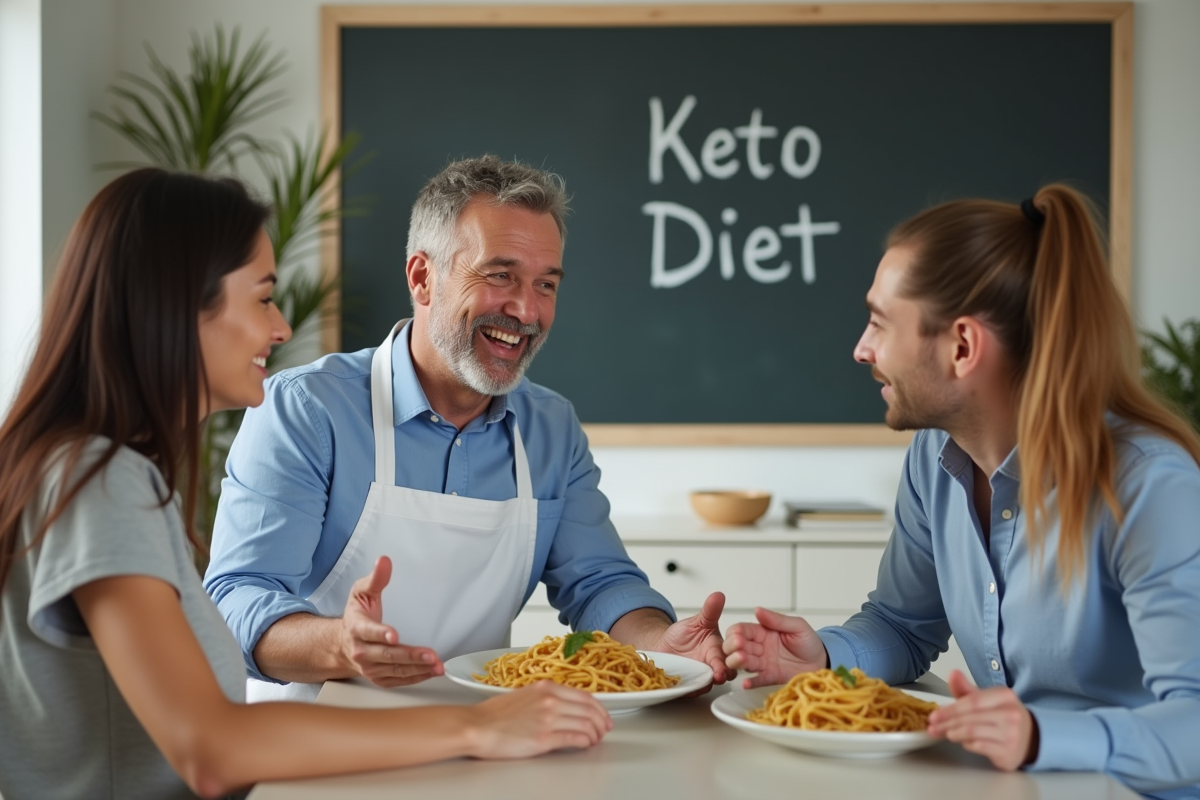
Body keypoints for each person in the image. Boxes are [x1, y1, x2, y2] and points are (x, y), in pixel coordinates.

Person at [0, 168, 611, 800]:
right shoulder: (99, 483)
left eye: (545, 284)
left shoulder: (106, 473)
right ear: (176, 305)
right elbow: (211, 747)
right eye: (263, 297)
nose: (282, 328)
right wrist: (476, 727)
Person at [722, 185, 1200, 799]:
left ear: (963, 346)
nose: (861, 349)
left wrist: (1040, 737)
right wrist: (823, 656)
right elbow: (902, 626)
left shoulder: (1148, 485)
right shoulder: (934, 456)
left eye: (878, 322)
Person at [203, 155, 733, 702]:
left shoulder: (550, 428)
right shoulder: (308, 410)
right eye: (500, 275)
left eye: (546, 284)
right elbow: (238, 596)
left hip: (482, 736)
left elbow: (600, 584)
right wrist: (340, 645)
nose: (527, 310)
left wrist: (662, 644)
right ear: (422, 277)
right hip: (316, 739)